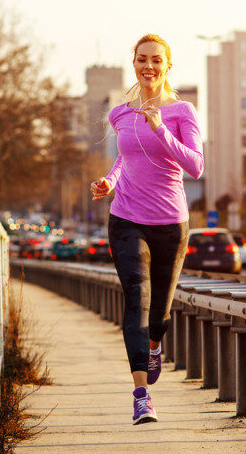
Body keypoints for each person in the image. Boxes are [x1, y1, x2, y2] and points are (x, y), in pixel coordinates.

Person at [91, 33, 204, 425]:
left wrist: (160, 128)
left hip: (171, 224)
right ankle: (141, 395)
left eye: (156, 60)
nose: (149, 66)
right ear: (134, 63)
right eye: (142, 59)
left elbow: (196, 166)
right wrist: (110, 181)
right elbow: (125, 160)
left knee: (159, 315)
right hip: (125, 219)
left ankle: (154, 344)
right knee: (136, 299)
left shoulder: (182, 111)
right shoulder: (120, 113)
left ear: (167, 65)